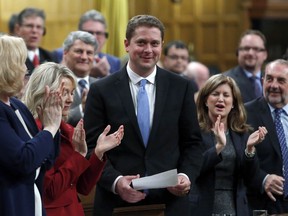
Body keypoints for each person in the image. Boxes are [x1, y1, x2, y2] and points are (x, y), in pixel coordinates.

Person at [84, 14, 203, 216]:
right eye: (141, 42)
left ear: (161, 45)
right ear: (126, 44)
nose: (148, 50)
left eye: (154, 43)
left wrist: (184, 176)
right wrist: (116, 181)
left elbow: (193, 143)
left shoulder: (181, 87)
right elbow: (91, 147)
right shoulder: (101, 90)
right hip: (115, 203)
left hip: (170, 204)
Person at [22, 62, 124, 216]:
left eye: (72, 93)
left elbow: (83, 187)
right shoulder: (31, 132)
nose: (70, 99)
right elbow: (50, 190)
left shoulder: (69, 130)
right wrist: (78, 155)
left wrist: (98, 153)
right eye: (64, 92)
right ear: (45, 91)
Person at [0, 35, 62, 216]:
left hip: (31, 202)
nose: (25, 69)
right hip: (10, 204)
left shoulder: (17, 105)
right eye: (20, 62)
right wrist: (49, 129)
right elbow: (24, 160)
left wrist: (51, 124)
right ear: (6, 67)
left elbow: (47, 159)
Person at [189, 74, 267, 215]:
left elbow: (251, 178)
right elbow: (192, 169)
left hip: (236, 209)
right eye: (215, 94)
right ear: (206, 100)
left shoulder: (242, 133)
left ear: (233, 104)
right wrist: (218, 147)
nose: (221, 99)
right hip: (202, 209)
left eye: (226, 95)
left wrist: (249, 150)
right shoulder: (194, 131)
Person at [245, 59, 288, 215]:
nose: (274, 85)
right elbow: (237, 159)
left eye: (281, 80)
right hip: (261, 205)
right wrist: (262, 179)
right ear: (262, 81)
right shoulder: (245, 114)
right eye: (269, 79)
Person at [53, 9, 121, 78]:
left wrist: (107, 75)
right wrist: (89, 72)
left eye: (99, 33)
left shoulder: (114, 62)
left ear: (105, 37)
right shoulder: (59, 55)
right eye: (89, 33)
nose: (94, 37)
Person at [61, 31, 98, 127]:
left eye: (89, 53)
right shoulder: (55, 83)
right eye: (79, 51)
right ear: (65, 53)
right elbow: (52, 119)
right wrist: (82, 109)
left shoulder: (101, 85)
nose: (84, 57)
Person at [223, 29, 268, 103]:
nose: (250, 53)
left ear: (265, 54)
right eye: (246, 48)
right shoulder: (225, 80)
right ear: (238, 52)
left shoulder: (272, 80)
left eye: (256, 49)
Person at [15, 7, 58, 73]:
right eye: (29, 26)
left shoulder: (51, 58)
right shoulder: (12, 58)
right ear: (18, 29)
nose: (34, 31)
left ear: (43, 31)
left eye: (39, 27)